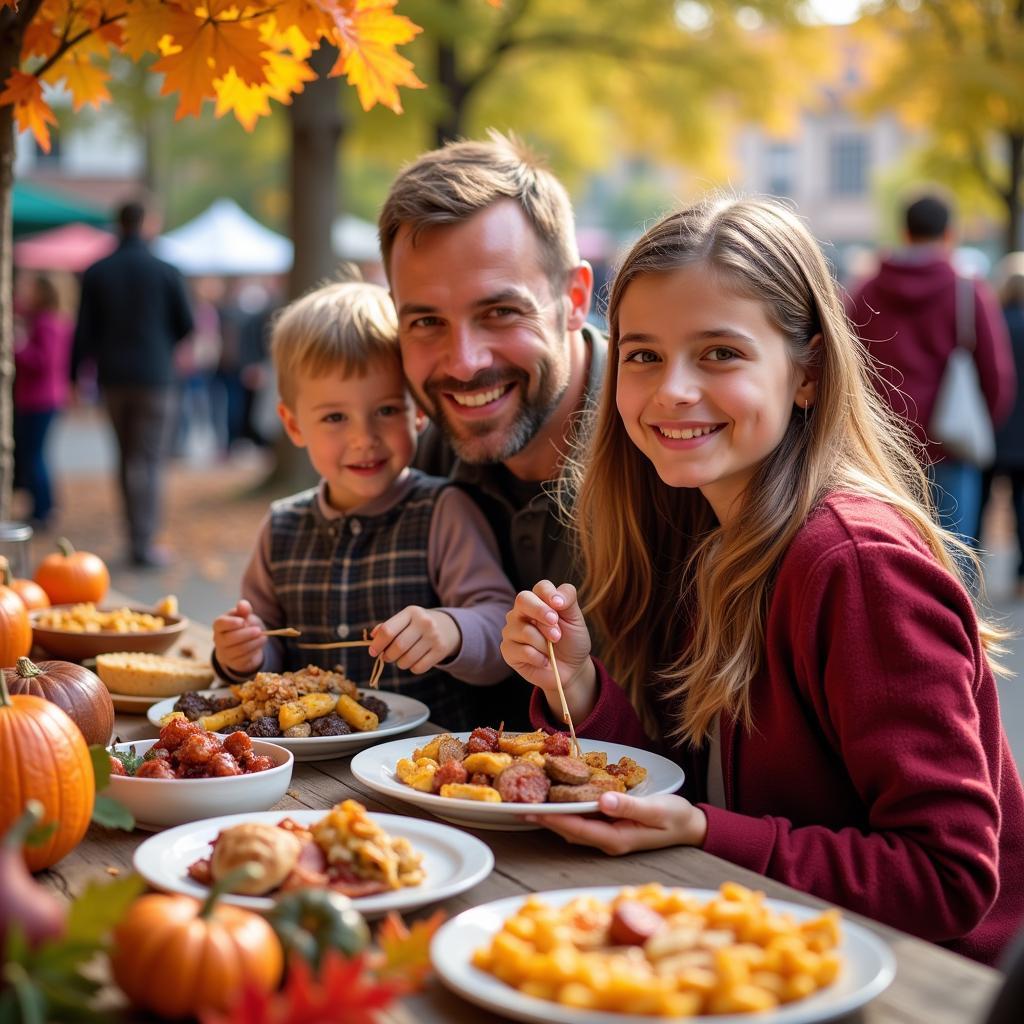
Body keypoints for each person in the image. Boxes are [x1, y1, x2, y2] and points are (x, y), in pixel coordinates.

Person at [501, 196, 1024, 965]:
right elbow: (699, 778)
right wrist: (576, 684)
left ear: (806, 372)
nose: (673, 388)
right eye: (643, 354)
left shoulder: (857, 565)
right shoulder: (698, 528)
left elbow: (946, 878)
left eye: (719, 353)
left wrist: (713, 835)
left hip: (929, 983)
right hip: (766, 947)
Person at [211, 280, 515, 730]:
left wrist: (452, 630)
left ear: (418, 411)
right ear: (294, 425)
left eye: (386, 410)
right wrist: (243, 652)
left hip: (418, 767)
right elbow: (266, 639)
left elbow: (500, 625)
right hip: (310, 767)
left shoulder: (443, 511)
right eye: (335, 417)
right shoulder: (281, 528)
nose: (363, 438)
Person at [378, 131, 600, 724]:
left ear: (574, 298)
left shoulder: (668, 448)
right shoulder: (421, 457)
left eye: (499, 312)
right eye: (426, 321)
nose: (464, 362)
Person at [845, 193, 1015, 546]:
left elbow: (845, 364)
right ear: (950, 234)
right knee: (952, 557)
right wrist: (979, 426)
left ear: (904, 233)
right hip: (950, 442)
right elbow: (997, 375)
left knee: (891, 550)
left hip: (882, 444)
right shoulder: (967, 291)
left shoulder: (865, 291)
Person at [73, 199, 194, 567]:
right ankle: (145, 541)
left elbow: (84, 332)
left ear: (119, 224)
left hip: (113, 379)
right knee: (150, 461)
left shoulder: (97, 271)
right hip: (156, 379)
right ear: (149, 223)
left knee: (127, 459)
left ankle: (134, 537)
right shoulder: (166, 270)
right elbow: (186, 324)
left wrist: (73, 375)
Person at [13, 272, 74, 527]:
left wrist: (16, 348)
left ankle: (44, 509)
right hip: (43, 397)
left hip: (39, 398)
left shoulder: (47, 323)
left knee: (34, 455)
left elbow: (42, 361)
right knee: (35, 454)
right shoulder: (51, 320)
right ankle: (42, 506)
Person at [980, 253, 1024, 597]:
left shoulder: (993, 323)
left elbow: (990, 375)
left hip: (993, 430)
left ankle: (972, 572)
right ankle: (1021, 576)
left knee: (979, 503)